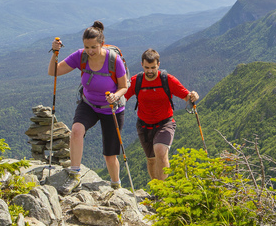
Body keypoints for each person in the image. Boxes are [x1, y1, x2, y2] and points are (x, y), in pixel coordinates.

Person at [48, 21, 128, 187]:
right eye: (86, 47)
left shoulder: (114, 60)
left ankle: (115, 184)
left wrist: (115, 96)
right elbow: (54, 71)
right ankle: (74, 174)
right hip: (89, 103)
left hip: (111, 108)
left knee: (110, 156)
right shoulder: (80, 56)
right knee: (76, 131)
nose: (90, 51)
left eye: (93, 47)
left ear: (101, 44)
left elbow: (124, 86)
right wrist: (55, 53)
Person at [125, 48, 198, 181]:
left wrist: (193, 96)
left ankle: (163, 190)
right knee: (151, 159)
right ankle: (156, 188)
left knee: (160, 150)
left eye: (153, 67)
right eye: (147, 67)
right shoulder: (136, 81)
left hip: (165, 122)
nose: (150, 71)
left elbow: (186, 96)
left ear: (158, 65)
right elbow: (122, 97)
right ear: (142, 65)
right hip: (143, 125)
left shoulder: (167, 80)